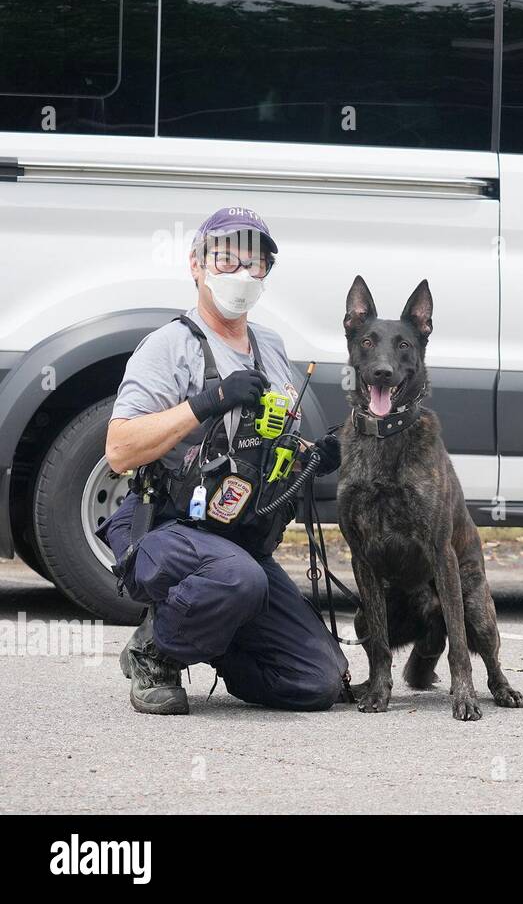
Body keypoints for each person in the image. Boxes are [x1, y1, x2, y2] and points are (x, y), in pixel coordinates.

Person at [98, 206, 346, 715]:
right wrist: (206, 402)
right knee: (239, 579)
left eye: (254, 264)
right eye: (227, 260)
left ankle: (210, 635)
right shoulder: (169, 346)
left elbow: (270, 446)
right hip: (168, 530)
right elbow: (119, 449)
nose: (242, 274)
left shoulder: (270, 348)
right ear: (196, 265)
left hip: (240, 540)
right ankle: (155, 652)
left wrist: (312, 458)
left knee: (317, 682)